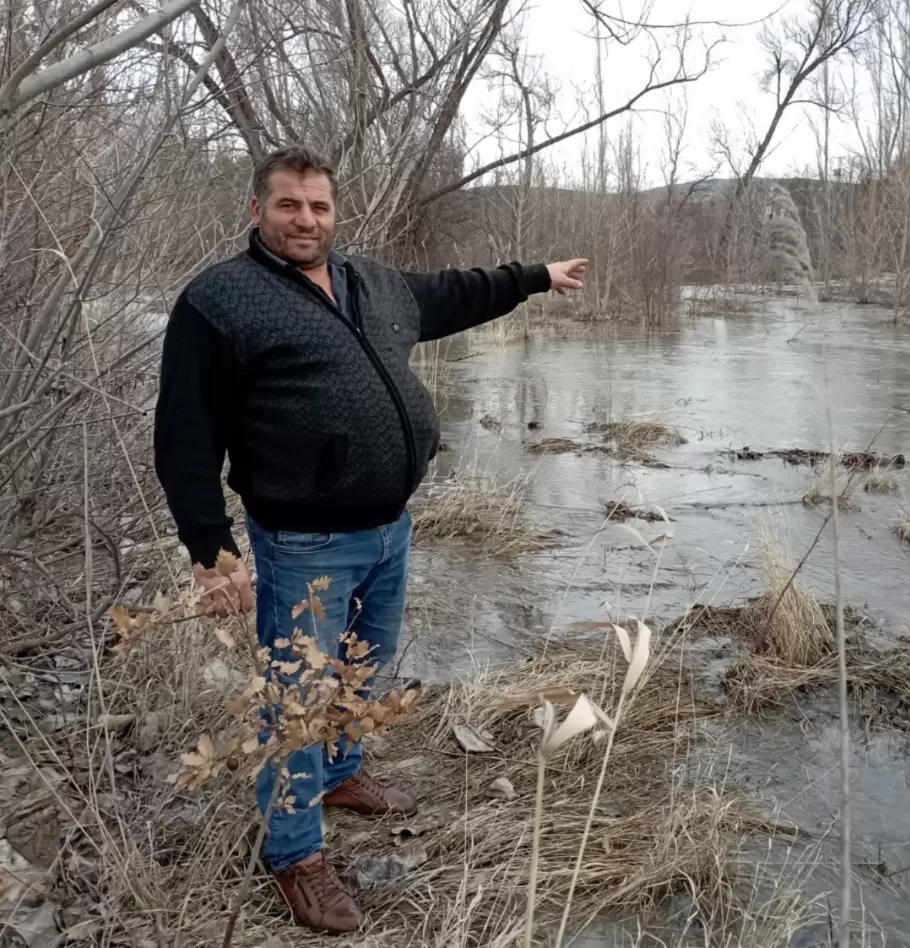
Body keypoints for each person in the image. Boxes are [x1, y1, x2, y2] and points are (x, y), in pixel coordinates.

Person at [153, 144, 587, 933]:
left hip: (389, 528)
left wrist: (533, 277)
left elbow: (455, 292)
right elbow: (185, 435)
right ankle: (295, 855)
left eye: (318, 206)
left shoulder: (372, 282)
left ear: (335, 212)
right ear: (257, 210)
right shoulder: (220, 302)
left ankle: (340, 772)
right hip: (303, 543)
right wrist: (211, 552)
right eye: (288, 205)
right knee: (296, 700)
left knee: (363, 665)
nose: (305, 219)